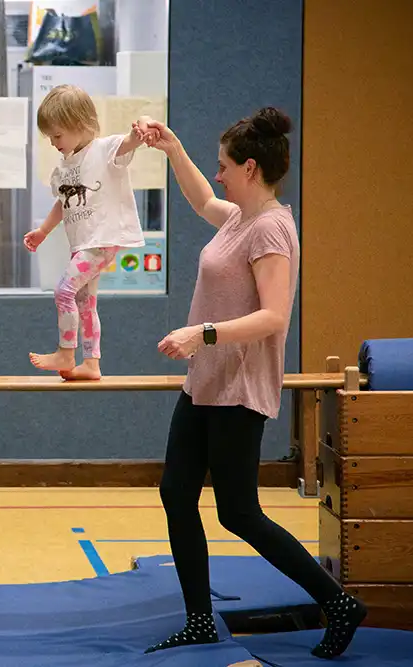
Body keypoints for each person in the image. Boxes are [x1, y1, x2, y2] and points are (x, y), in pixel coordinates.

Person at [138, 108, 366, 659]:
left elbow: (274, 318)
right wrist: (172, 149)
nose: (217, 175)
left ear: (250, 167)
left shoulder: (270, 229)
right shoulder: (241, 217)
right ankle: (198, 619)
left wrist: (203, 333)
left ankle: (337, 604)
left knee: (239, 512)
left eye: (223, 167)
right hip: (205, 384)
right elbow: (200, 200)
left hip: (238, 388)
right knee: (176, 493)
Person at [24, 84, 148, 381]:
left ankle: (66, 351)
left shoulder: (105, 150)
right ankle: (91, 363)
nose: (53, 143)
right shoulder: (65, 166)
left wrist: (140, 129)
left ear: (79, 125)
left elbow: (130, 142)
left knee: (63, 290)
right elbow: (62, 203)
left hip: (102, 239)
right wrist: (43, 231)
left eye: (57, 135)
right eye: (49, 137)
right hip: (84, 244)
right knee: (84, 301)